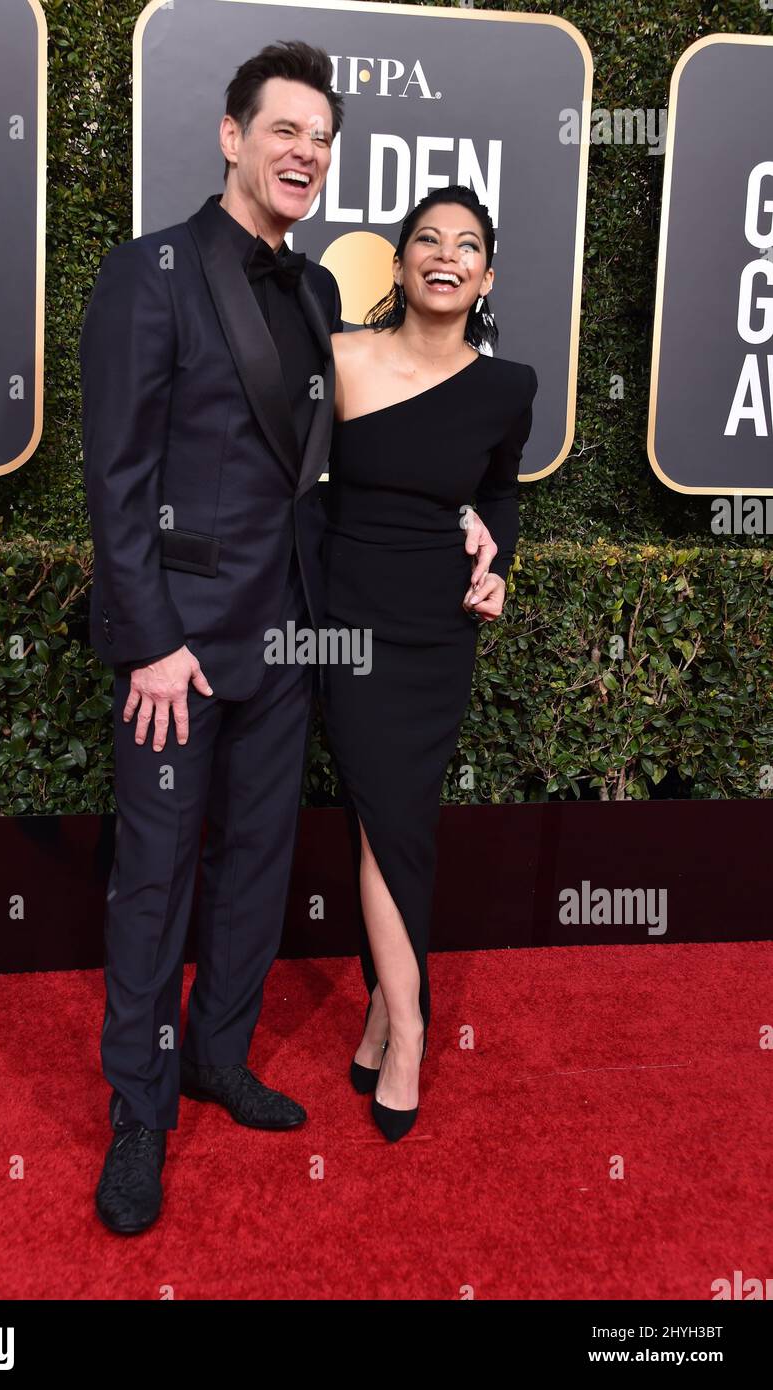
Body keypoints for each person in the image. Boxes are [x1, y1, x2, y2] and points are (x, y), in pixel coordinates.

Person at [79, 40, 348, 1236]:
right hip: (178, 650)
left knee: (255, 864)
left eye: (323, 138)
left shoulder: (324, 290)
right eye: (285, 129)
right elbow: (118, 476)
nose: (305, 152)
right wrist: (146, 640)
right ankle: (140, 1112)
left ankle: (217, 1056)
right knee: (157, 876)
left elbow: (319, 477)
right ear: (232, 136)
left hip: (285, 640)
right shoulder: (152, 273)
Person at [321, 184, 538, 1141]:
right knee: (385, 820)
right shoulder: (339, 357)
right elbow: (286, 488)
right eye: (426, 240)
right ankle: (410, 1029)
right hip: (348, 622)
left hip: (439, 628)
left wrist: (500, 564)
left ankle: (382, 1013)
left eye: (467, 246)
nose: (445, 255)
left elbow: (499, 493)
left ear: (485, 275)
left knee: (400, 822)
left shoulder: (508, 387)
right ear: (400, 263)